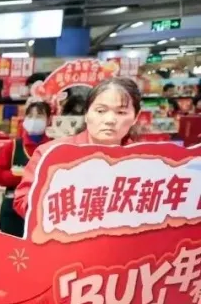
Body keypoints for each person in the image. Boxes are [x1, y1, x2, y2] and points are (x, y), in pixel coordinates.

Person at [15, 77, 141, 218]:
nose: (110, 120)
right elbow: (22, 202)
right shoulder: (50, 153)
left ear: (135, 117)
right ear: (86, 114)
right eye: (101, 111)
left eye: (121, 112)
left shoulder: (145, 161)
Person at [0, 101, 50, 236]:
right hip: (13, 209)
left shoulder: (53, 147)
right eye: (30, 116)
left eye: (39, 116)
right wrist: (21, 176)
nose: (34, 120)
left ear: (49, 120)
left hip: (44, 208)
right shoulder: (13, 146)